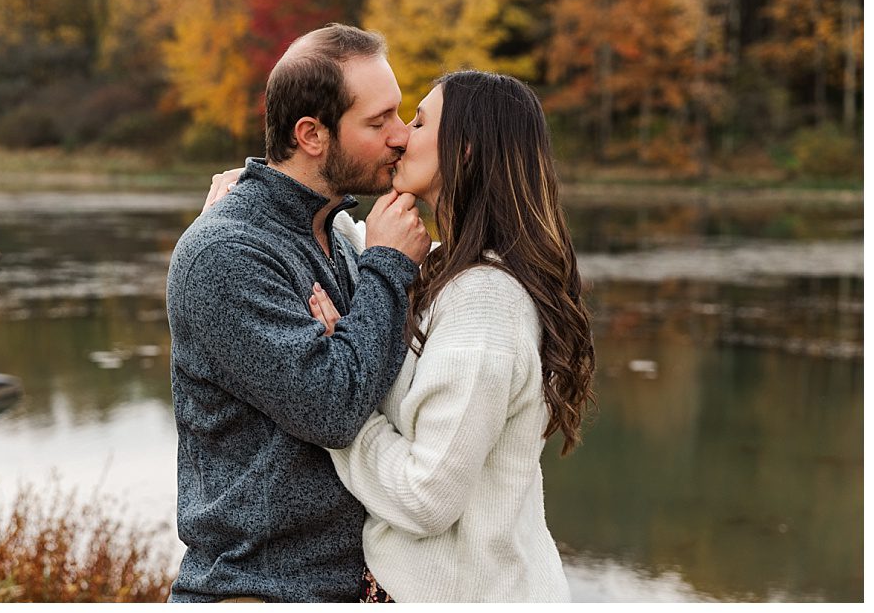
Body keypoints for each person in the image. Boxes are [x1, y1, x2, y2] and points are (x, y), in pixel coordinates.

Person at [207, 70, 596, 602]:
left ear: (463, 151)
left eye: (417, 121)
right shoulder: (447, 272)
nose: (400, 136)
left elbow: (425, 497)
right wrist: (254, 200)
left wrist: (340, 401)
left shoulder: (484, 303)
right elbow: (360, 241)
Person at [165, 23, 431, 603]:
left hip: (343, 587)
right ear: (311, 134)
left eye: (401, 115)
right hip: (259, 591)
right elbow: (333, 410)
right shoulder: (225, 255)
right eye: (378, 120)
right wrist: (387, 265)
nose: (400, 137)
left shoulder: (335, 230)